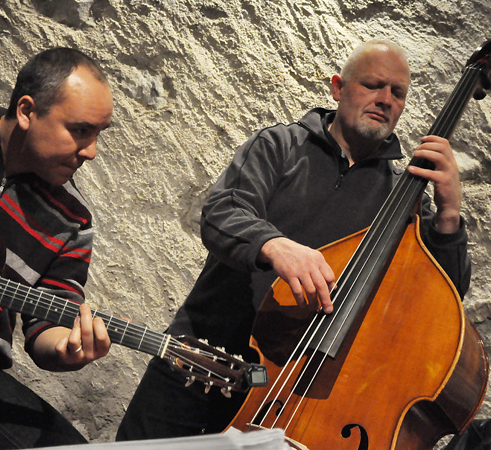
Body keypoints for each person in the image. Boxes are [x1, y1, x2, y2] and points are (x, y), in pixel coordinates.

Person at [117, 40, 471, 441]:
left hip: (293, 397)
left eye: (398, 92)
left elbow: (441, 303)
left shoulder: (401, 201)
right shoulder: (279, 147)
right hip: (197, 367)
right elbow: (219, 215)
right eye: (374, 84)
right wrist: (274, 245)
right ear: (338, 88)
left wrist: (449, 213)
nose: (385, 99)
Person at [0, 47, 113, 448]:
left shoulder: (72, 219)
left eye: (99, 134)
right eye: (81, 130)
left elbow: (47, 322)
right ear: (28, 112)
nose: (92, 151)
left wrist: (66, 347)